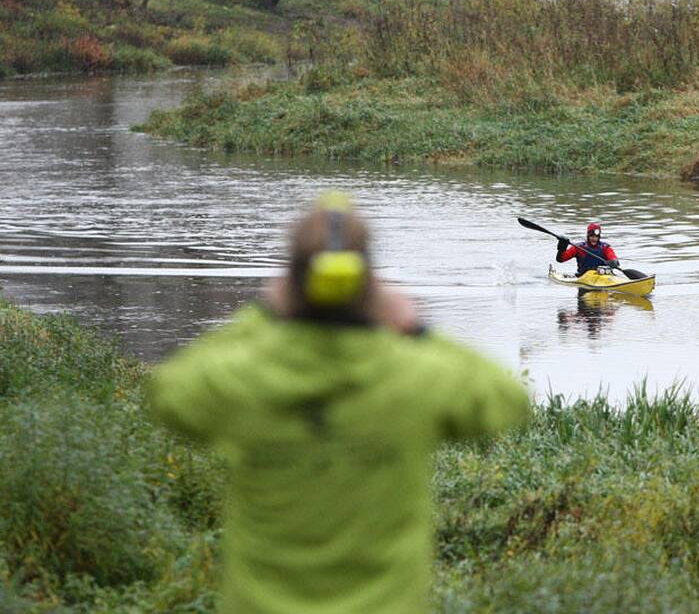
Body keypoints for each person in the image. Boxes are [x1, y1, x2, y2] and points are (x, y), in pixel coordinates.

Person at [149, 192, 530, 614]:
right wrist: (414, 327)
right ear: (369, 284)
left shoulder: (245, 377)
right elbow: (507, 399)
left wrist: (261, 314)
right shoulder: (414, 376)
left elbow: (168, 392)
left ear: (292, 283)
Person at [556, 222, 621, 275]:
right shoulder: (578, 248)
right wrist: (562, 246)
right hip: (583, 277)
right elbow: (560, 259)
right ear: (588, 236)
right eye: (592, 236)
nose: (594, 239)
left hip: (603, 276)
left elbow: (612, 256)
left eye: (596, 236)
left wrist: (614, 261)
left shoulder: (605, 248)